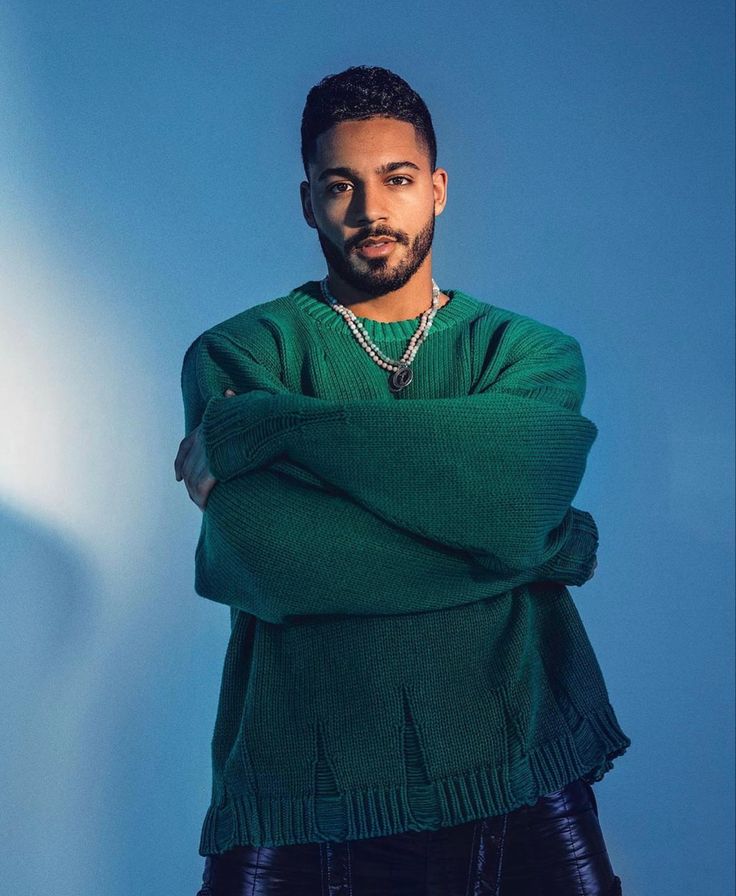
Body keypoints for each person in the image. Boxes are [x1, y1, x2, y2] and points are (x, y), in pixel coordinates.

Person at [174, 65, 631, 895]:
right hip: (298, 794)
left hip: (524, 781)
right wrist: (535, 546)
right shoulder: (240, 354)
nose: (371, 210)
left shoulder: (526, 353)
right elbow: (270, 549)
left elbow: (518, 496)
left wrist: (277, 423)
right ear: (307, 201)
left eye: (397, 178)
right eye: (339, 184)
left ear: (439, 189)